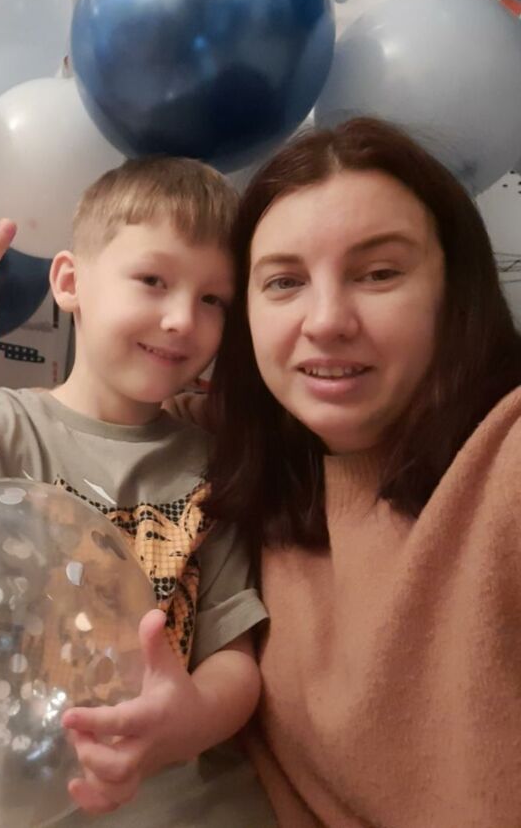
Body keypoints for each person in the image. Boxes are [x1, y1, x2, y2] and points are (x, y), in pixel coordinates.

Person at [0, 159, 277, 827]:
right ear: (69, 282)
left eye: (214, 299)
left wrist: (188, 721)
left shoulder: (216, 464)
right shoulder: (1, 431)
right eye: (153, 280)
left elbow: (232, 659)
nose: (183, 318)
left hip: (187, 804)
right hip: (12, 795)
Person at [197, 117, 521, 828]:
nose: (326, 321)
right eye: (284, 281)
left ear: (454, 289)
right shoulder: (248, 476)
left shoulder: (506, 458)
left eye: (379, 274)